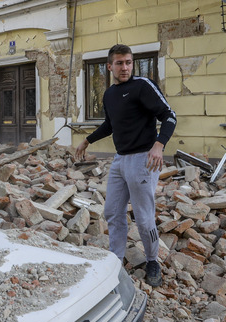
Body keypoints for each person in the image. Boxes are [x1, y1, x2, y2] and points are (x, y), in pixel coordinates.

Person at [74, 44, 177, 287]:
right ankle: (115, 260)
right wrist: (87, 140)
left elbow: (169, 116)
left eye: (129, 62)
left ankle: (153, 261)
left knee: (143, 217)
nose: (125, 67)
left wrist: (159, 144)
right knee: (112, 211)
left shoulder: (142, 86)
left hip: (143, 159)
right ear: (109, 66)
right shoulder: (109, 94)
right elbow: (110, 125)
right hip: (120, 160)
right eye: (119, 63)